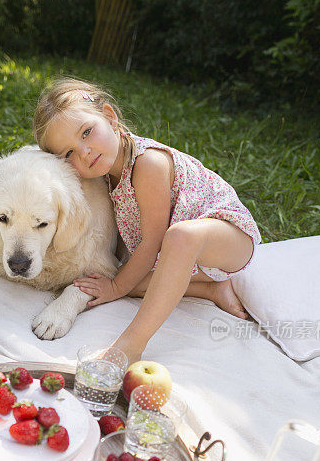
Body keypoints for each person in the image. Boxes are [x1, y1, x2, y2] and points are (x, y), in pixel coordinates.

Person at [33, 77, 261, 363]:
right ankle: (212, 288)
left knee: (172, 243)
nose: (84, 152)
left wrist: (117, 287)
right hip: (188, 261)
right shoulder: (105, 174)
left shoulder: (148, 163)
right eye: (68, 154)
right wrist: (114, 284)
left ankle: (130, 345)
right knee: (117, 279)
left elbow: (153, 242)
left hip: (227, 237)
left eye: (87, 132)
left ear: (110, 117)